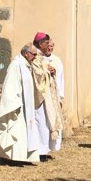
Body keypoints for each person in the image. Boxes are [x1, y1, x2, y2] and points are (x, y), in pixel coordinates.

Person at [0, 45, 41, 164]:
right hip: (16, 105)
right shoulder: (16, 64)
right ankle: (10, 157)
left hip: (26, 106)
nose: (35, 57)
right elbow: (10, 85)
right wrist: (15, 103)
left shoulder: (25, 65)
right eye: (34, 54)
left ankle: (21, 156)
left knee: (23, 131)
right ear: (26, 53)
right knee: (14, 130)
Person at [30, 32, 63, 161]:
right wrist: (48, 72)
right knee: (40, 123)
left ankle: (44, 150)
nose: (49, 45)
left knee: (46, 123)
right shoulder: (35, 57)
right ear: (40, 44)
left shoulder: (43, 58)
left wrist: (51, 72)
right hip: (40, 96)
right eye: (46, 43)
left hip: (48, 95)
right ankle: (39, 151)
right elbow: (37, 74)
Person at [44, 38, 67, 153]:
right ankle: (43, 148)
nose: (50, 48)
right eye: (48, 46)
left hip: (54, 96)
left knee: (54, 121)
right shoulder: (38, 58)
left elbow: (61, 79)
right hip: (43, 96)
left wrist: (61, 97)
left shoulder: (57, 60)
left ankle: (52, 146)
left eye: (52, 46)